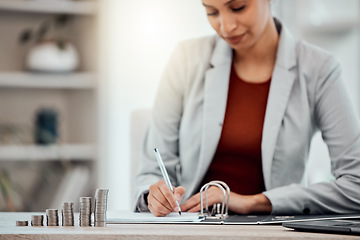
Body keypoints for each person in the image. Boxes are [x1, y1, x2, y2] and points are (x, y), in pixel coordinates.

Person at [134, 0, 360, 217]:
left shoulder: (319, 69)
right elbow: (151, 172)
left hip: (274, 231)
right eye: (212, 12)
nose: (226, 26)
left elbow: (356, 184)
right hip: (191, 229)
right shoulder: (185, 59)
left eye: (238, 7)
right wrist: (153, 196)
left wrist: (253, 202)